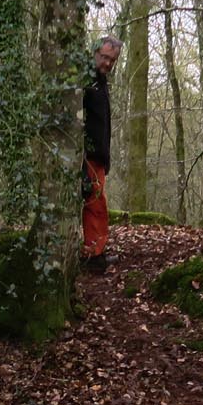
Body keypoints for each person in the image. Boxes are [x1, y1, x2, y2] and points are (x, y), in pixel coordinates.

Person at [82, 36, 121, 272]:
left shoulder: (101, 81)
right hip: (88, 154)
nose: (107, 63)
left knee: (99, 203)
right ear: (96, 53)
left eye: (112, 60)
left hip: (98, 155)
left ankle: (97, 251)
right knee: (95, 204)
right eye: (104, 57)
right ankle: (93, 257)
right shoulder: (86, 80)